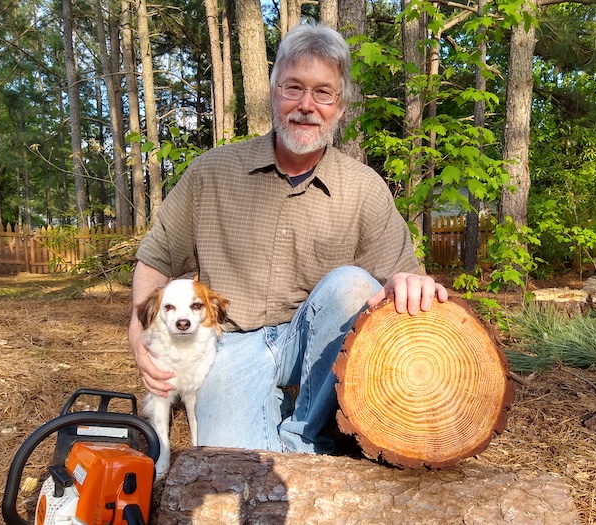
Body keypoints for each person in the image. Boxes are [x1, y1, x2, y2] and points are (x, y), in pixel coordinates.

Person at [129, 21, 449, 454]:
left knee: (351, 284)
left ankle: (304, 430)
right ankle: (300, 449)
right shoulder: (210, 173)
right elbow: (156, 258)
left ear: (341, 104)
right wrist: (139, 335)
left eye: (323, 92)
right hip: (232, 346)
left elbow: (401, 277)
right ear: (273, 92)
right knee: (230, 463)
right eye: (293, 87)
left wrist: (410, 283)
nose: (306, 105)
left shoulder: (365, 188)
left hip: (319, 347)